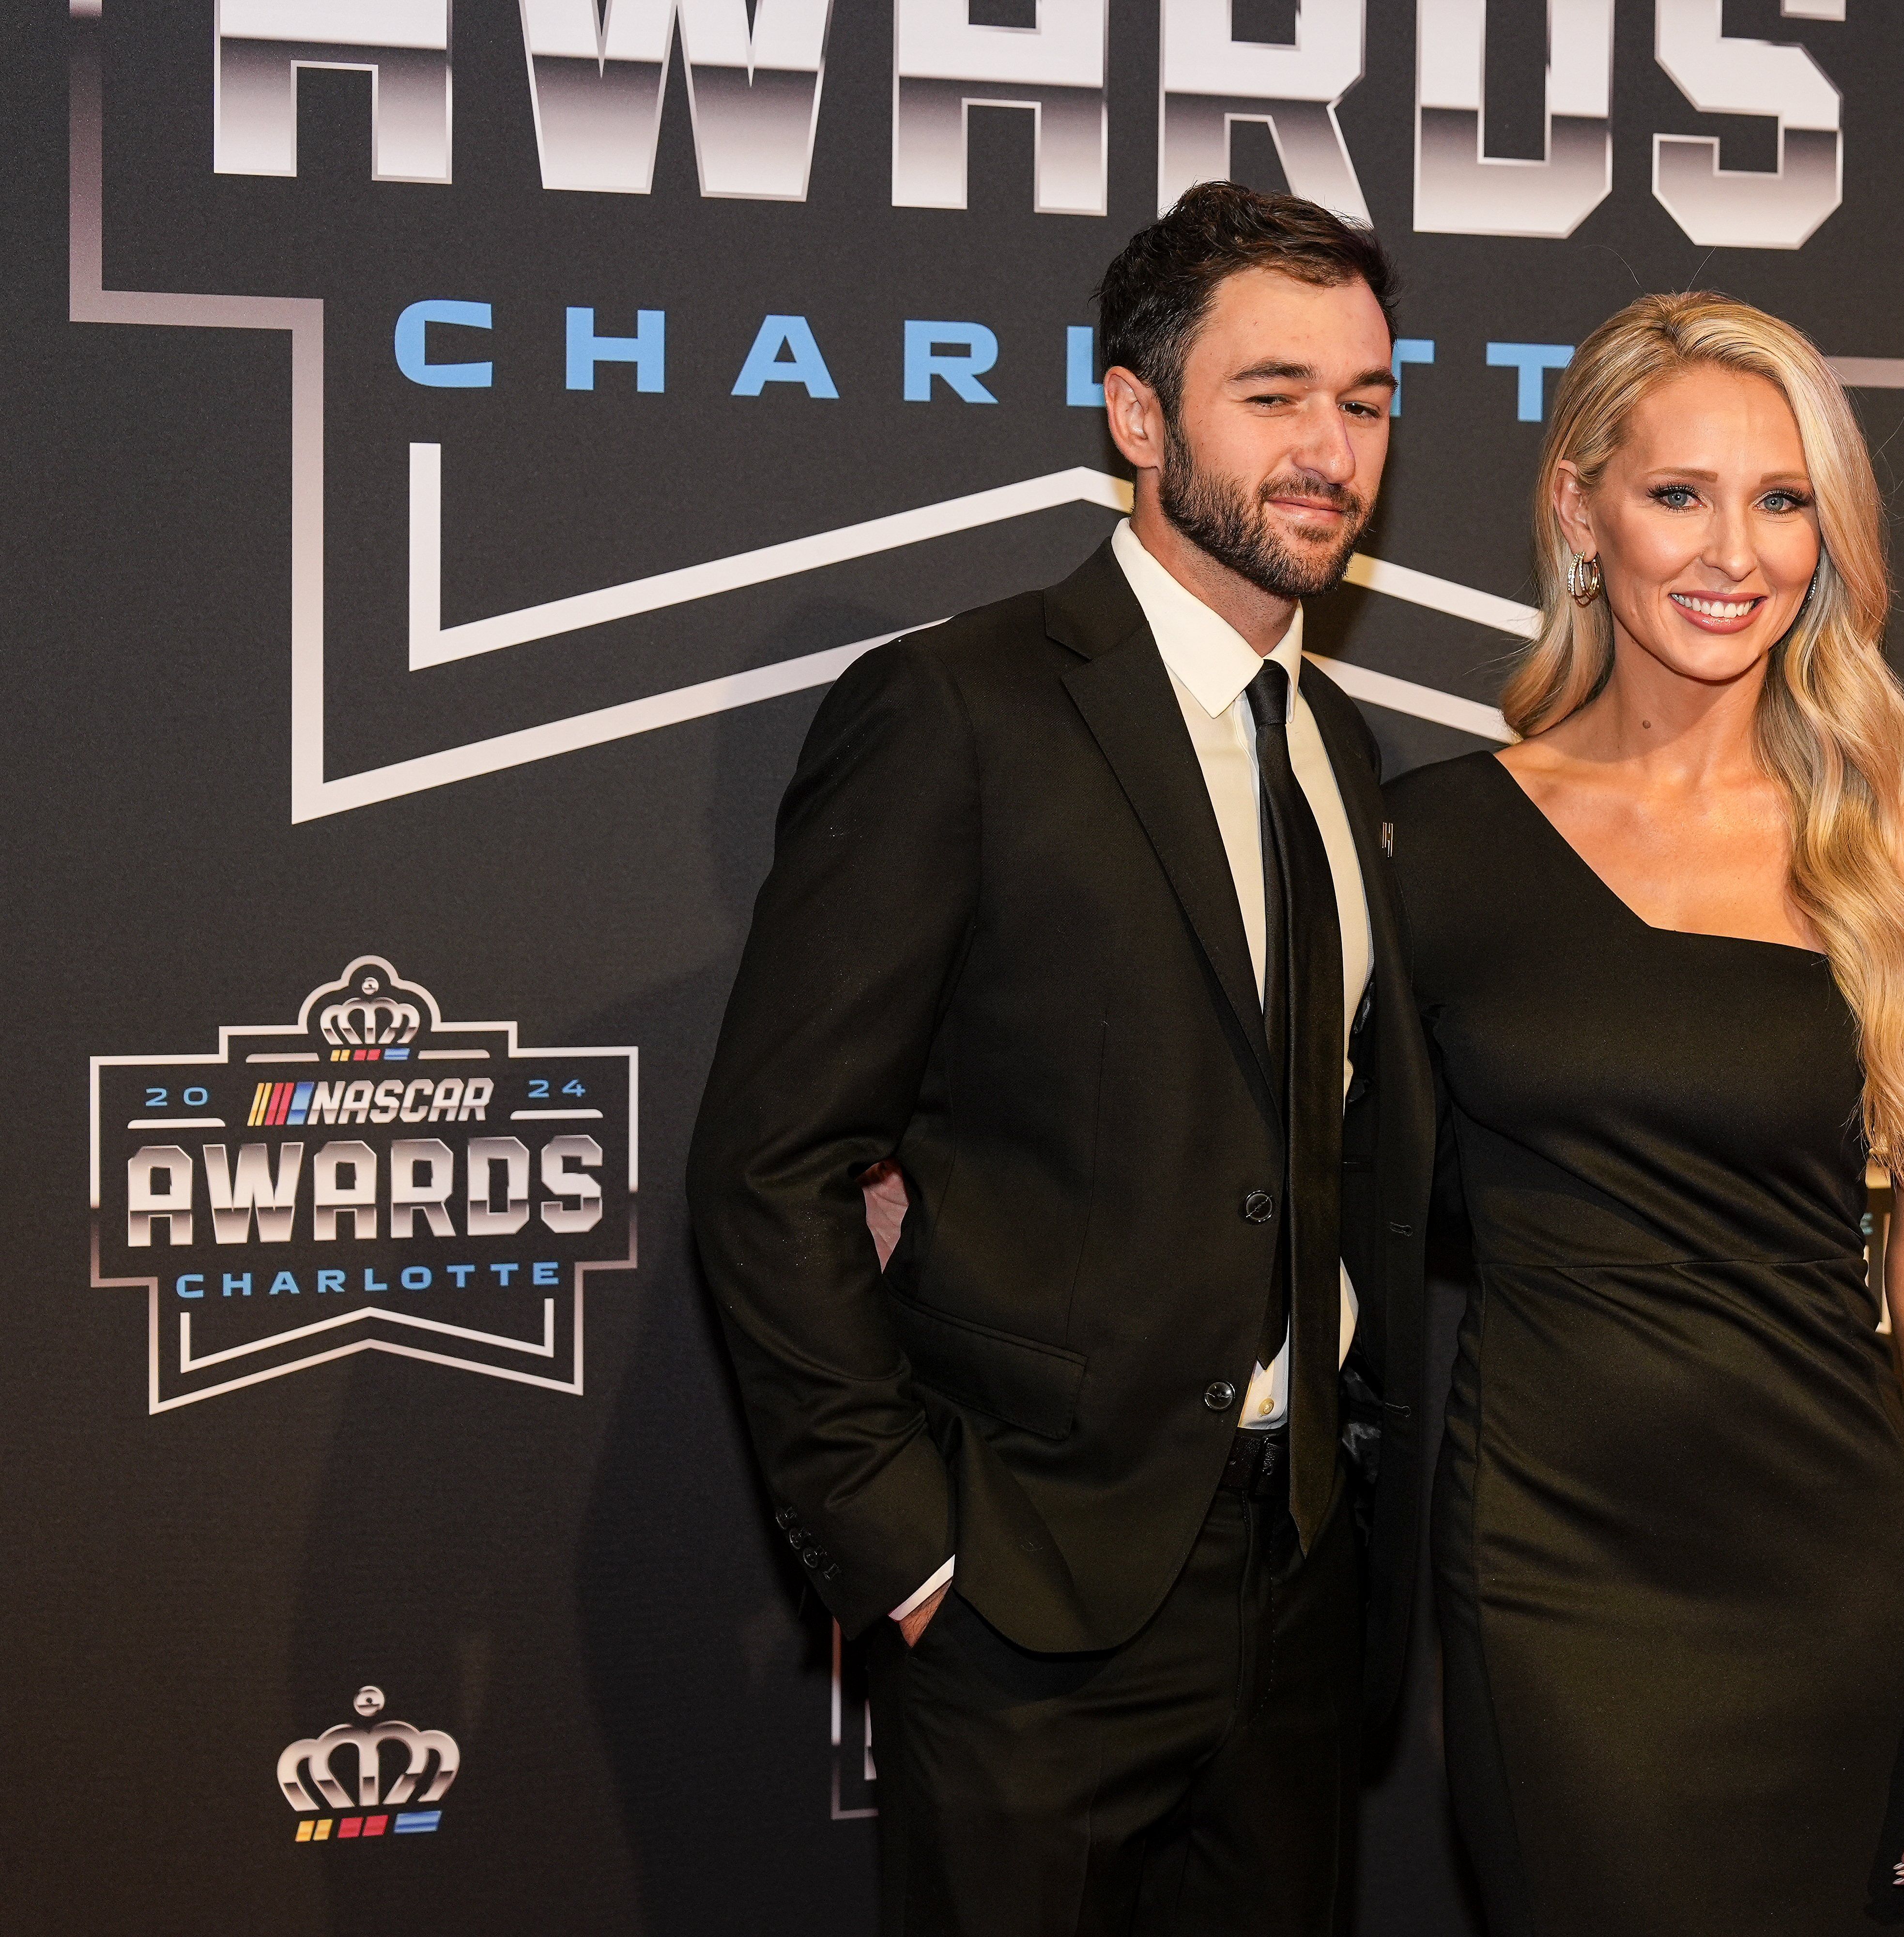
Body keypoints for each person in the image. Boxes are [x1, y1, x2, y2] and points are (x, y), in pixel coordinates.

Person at [686, 183, 1433, 1937]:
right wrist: (909, 1553)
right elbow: (770, 1160)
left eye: (1368, 400)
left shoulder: (1345, 745)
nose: (1331, 447)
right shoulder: (961, 709)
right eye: (1275, 395)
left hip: (1305, 1583)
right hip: (1030, 1597)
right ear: (1138, 414)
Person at [1384, 292, 1904, 1933]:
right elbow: (1277, 1167)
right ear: (1579, 510)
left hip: (1833, 1580)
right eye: (1680, 494)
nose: (1735, 549)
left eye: (1784, 497)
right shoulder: (1431, 842)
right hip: (1556, 1576)